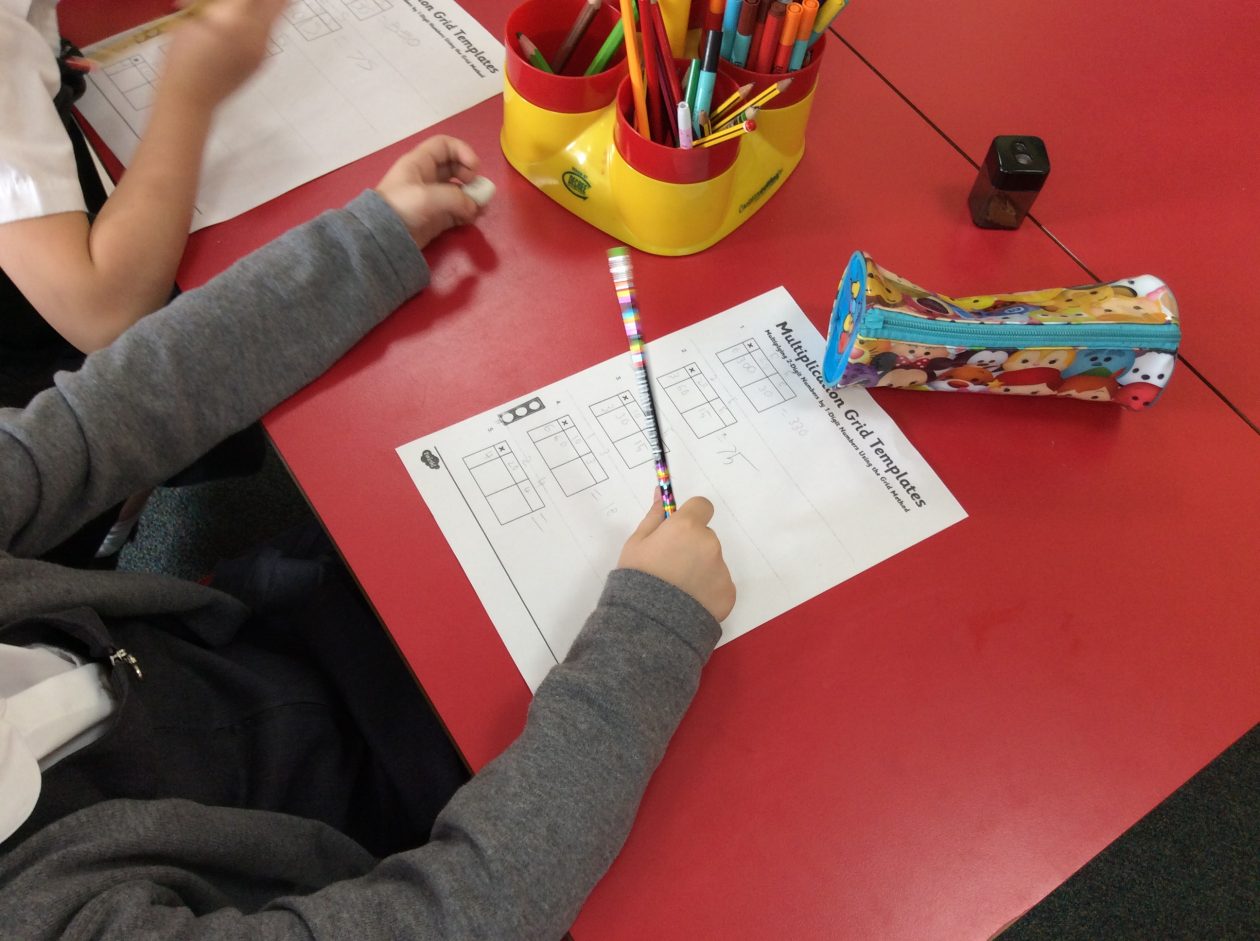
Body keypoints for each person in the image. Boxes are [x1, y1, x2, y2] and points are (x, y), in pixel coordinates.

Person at [0, 135, 736, 938]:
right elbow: (448, 916)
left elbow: (115, 408)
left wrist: (366, 242)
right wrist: (651, 635)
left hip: (255, 640)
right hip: (375, 841)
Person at [1, 0, 289, 562]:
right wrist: (188, 94)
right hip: (36, 391)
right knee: (84, 471)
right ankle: (104, 539)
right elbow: (103, 312)